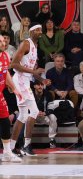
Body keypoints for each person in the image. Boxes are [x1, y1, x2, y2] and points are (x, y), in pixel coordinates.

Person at [10, 22, 51, 156]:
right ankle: (25, 146)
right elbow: (14, 64)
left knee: (23, 115)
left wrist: (42, 80)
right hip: (20, 79)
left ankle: (11, 148)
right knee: (33, 112)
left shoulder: (35, 46)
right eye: (38, 30)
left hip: (25, 80)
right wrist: (33, 72)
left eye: (41, 30)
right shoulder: (26, 43)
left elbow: (31, 71)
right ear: (32, 31)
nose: (40, 32)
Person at [0, 34, 22, 162]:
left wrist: (14, 88)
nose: (3, 43)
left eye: (4, 41)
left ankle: (7, 152)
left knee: (5, 121)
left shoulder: (5, 55)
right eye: (0, 41)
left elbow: (5, 72)